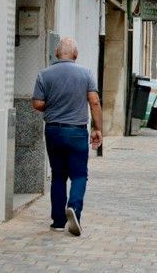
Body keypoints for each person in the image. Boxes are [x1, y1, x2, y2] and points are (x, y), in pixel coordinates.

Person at [31, 37, 102, 237]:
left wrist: (52, 104)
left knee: (58, 176)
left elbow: (37, 103)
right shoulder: (86, 73)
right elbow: (94, 102)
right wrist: (98, 128)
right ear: (75, 55)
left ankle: (58, 221)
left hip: (53, 131)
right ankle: (74, 209)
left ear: (56, 54)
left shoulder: (44, 74)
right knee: (79, 175)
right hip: (77, 131)